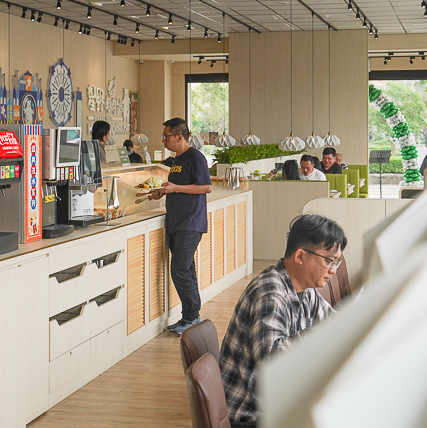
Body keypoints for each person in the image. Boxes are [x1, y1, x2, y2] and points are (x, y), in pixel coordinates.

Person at [220, 215, 347, 427]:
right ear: (300, 256)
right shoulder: (270, 290)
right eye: (329, 260)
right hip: (252, 415)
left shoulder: (306, 290)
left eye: (337, 261)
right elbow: (272, 360)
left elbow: (336, 321)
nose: (333, 269)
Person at [148, 118, 212, 335]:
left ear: (179, 137)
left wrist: (175, 188)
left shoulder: (195, 157)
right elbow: (179, 187)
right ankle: (191, 316)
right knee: (186, 269)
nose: (164, 140)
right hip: (177, 222)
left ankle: (192, 317)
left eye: (166, 136)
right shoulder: (176, 160)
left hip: (190, 222)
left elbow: (206, 187)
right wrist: (165, 190)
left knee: (180, 270)